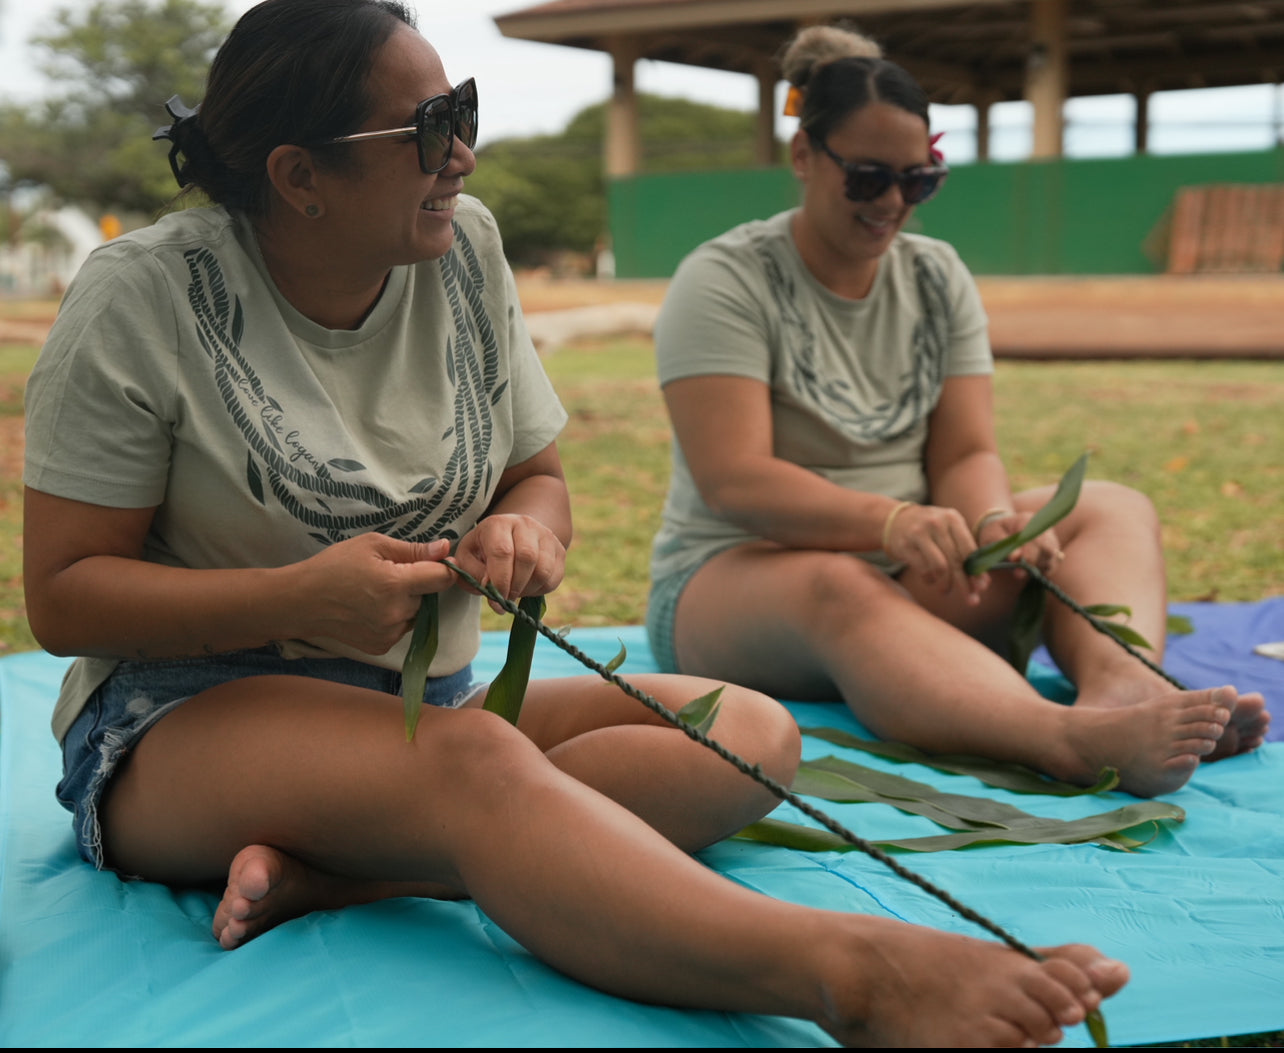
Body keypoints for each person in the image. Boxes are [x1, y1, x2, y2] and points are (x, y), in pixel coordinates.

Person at [23, 2, 1129, 1045]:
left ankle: (355, 870)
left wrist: (525, 532)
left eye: (464, 110)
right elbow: (65, 596)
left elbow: (537, 475)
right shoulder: (143, 297)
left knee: (749, 736)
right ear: (299, 175)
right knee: (472, 765)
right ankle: (851, 977)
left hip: (430, 705)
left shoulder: (462, 250)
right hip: (185, 721)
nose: (464, 152)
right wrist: (297, 598)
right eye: (431, 127)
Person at [646, 23, 1268, 801]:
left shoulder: (937, 275)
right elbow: (735, 481)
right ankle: (1066, 741)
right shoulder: (725, 279)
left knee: (1112, 507)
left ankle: (1123, 687)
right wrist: (888, 521)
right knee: (840, 586)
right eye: (869, 178)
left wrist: (996, 520)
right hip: (734, 581)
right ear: (804, 156)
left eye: (919, 180)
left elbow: (967, 452)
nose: (894, 203)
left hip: (915, 558)